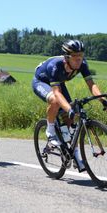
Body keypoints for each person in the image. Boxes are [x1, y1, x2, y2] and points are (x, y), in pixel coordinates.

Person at [32, 39, 107, 172]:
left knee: (71, 122)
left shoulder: (82, 64)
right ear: (67, 57)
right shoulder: (55, 66)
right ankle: (50, 131)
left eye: (81, 56)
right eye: (75, 57)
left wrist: (102, 99)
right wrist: (69, 109)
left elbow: (91, 84)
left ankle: (76, 157)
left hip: (59, 82)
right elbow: (56, 93)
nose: (79, 60)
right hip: (41, 81)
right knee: (56, 101)